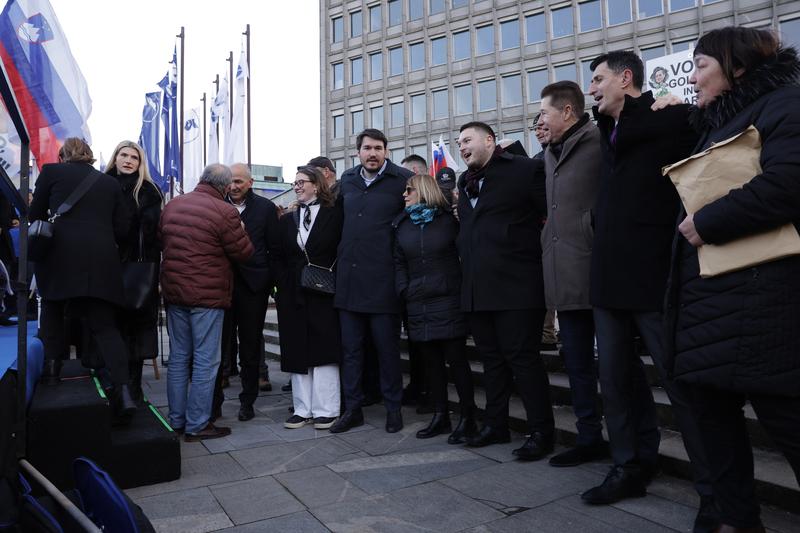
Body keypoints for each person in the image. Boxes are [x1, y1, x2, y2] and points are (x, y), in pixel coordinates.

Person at [663, 27, 800, 531]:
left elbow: (789, 182)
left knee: (786, 422)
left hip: (765, 305)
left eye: (701, 65)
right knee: (713, 428)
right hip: (711, 308)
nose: (692, 76)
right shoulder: (717, 122)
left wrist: (708, 222)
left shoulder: (785, 104)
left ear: (736, 66)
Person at [584, 51, 714, 531]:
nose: (591, 89)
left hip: (655, 278)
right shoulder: (607, 128)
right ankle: (629, 466)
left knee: (680, 385)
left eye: (598, 80)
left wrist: (682, 102)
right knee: (615, 383)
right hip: (609, 280)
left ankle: (714, 492)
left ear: (625, 78)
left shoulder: (670, 117)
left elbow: (714, 134)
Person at [455, 121, 554, 460]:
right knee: (492, 362)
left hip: (517, 288)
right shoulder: (463, 180)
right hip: (477, 290)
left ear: (489, 140)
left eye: (467, 140)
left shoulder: (525, 170)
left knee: (523, 360)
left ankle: (541, 431)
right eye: (458, 142)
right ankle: (495, 425)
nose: (462, 146)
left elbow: (549, 217)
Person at [29, 138, 135, 420]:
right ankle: (123, 391)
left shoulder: (51, 172)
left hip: (59, 256)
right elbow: (123, 229)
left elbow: (35, 213)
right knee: (104, 326)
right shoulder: (109, 183)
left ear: (63, 155)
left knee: (52, 310)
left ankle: (52, 373)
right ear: (88, 156)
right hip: (100, 261)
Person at [538, 81, 608, 467]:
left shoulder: (600, 140)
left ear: (567, 111)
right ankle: (588, 437)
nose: (541, 121)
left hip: (599, 274)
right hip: (564, 276)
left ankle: (629, 448)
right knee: (577, 365)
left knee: (613, 370)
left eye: (545, 112)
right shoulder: (550, 152)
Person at [160, 164, 253, 441]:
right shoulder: (225, 212)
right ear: (225, 188)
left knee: (178, 359)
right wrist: (243, 228)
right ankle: (198, 424)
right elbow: (244, 252)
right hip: (207, 297)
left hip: (175, 293)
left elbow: (160, 241)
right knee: (205, 361)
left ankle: (176, 420)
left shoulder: (174, 205)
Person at [329, 128, 413, 434]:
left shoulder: (402, 180)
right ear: (358, 152)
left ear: (386, 151)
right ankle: (353, 409)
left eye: (378, 148)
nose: (372, 153)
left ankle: (393, 409)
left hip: (384, 282)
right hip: (349, 282)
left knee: (387, 350)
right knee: (350, 351)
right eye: (367, 148)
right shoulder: (347, 181)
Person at [393, 173, 476, 442]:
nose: (404, 195)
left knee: (458, 361)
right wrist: (404, 289)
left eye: (409, 190)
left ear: (424, 191)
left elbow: (463, 255)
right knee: (432, 365)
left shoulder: (447, 221)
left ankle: (468, 417)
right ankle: (440, 416)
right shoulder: (402, 224)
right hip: (417, 302)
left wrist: (456, 286)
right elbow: (398, 263)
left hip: (448, 299)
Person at [275, 166, 344, 430]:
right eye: (294, 183)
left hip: (324, 291)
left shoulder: (335, 215)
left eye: (302, 182)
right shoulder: (286, 220)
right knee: (296, 349)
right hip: (293, 293)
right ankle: (302, 409)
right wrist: (283, 285)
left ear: (317, 185)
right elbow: (278, 256)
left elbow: (341, 249)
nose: (297, 186)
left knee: (324, 349)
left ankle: (326, 409)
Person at [213, 163, 280, 422]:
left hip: (253, 288)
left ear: (250, 182)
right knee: (218, 345)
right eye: (231, 181)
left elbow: (273, 248)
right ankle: (214, 402)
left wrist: (268, 282)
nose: (234, 186)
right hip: (221, 285)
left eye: (240, 181)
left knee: (250, 346)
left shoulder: (265, 209)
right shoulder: (217, 205)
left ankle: (248, 400)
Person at [104, 141, 163, 403]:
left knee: (135, 331)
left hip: (138, 271)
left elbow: (151, 236)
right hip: (104, 268)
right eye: (123, 155)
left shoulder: (149, 191)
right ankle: (112, 384)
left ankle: (134, 388)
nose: (128, 160)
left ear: (141, 164)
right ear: (115, 157)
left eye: (134, 157)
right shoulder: (102, 185)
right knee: (107, 329)